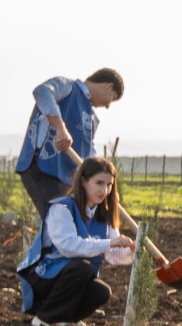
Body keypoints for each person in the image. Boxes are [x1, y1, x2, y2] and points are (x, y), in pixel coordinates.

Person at [17, 157, 134, 325]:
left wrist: (131, 249)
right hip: (44, 276)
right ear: (84, 181)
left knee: (102, 292)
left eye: (109, 185)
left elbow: (113, 255)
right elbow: (68, 247)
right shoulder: (62, 208)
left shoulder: (103, 216)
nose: (104, 190)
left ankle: (65, 319)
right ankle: (44, 318)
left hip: (74, 279)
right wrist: (108, 243)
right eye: (99, 183)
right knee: (82, 267)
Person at [14, 68, 124, 218]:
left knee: (67, 223)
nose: (107, 105)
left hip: (65, 179)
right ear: (108, 86)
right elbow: (42, 92)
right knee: (59, 222)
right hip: (43, 169)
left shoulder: (92, 119)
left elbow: (89, 158)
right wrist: (60, 128)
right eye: (112, 98)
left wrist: (106, 186)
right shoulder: (67, 87)